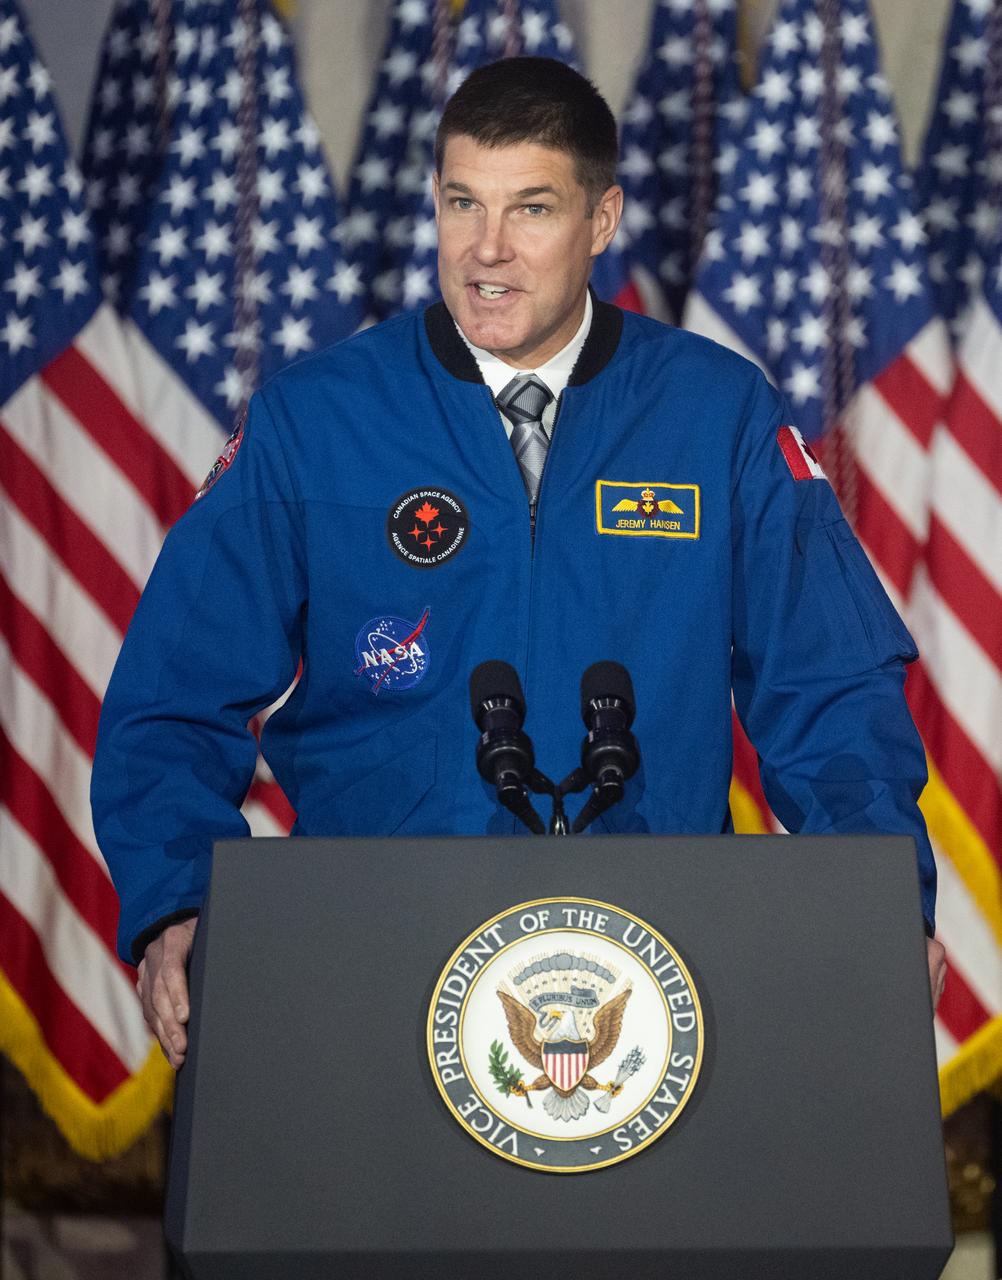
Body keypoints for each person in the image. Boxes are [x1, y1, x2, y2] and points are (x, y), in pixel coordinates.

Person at [91, 57, 946, 1070]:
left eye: (531, 209)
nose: (485, 252)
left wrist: (881, 895)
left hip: (658, 967)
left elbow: (833, 690)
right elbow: (173, 698)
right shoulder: (316, 421)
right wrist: (177, 900)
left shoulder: (716, 415)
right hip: (368, 961)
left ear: (604, 217)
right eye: (463, 203)